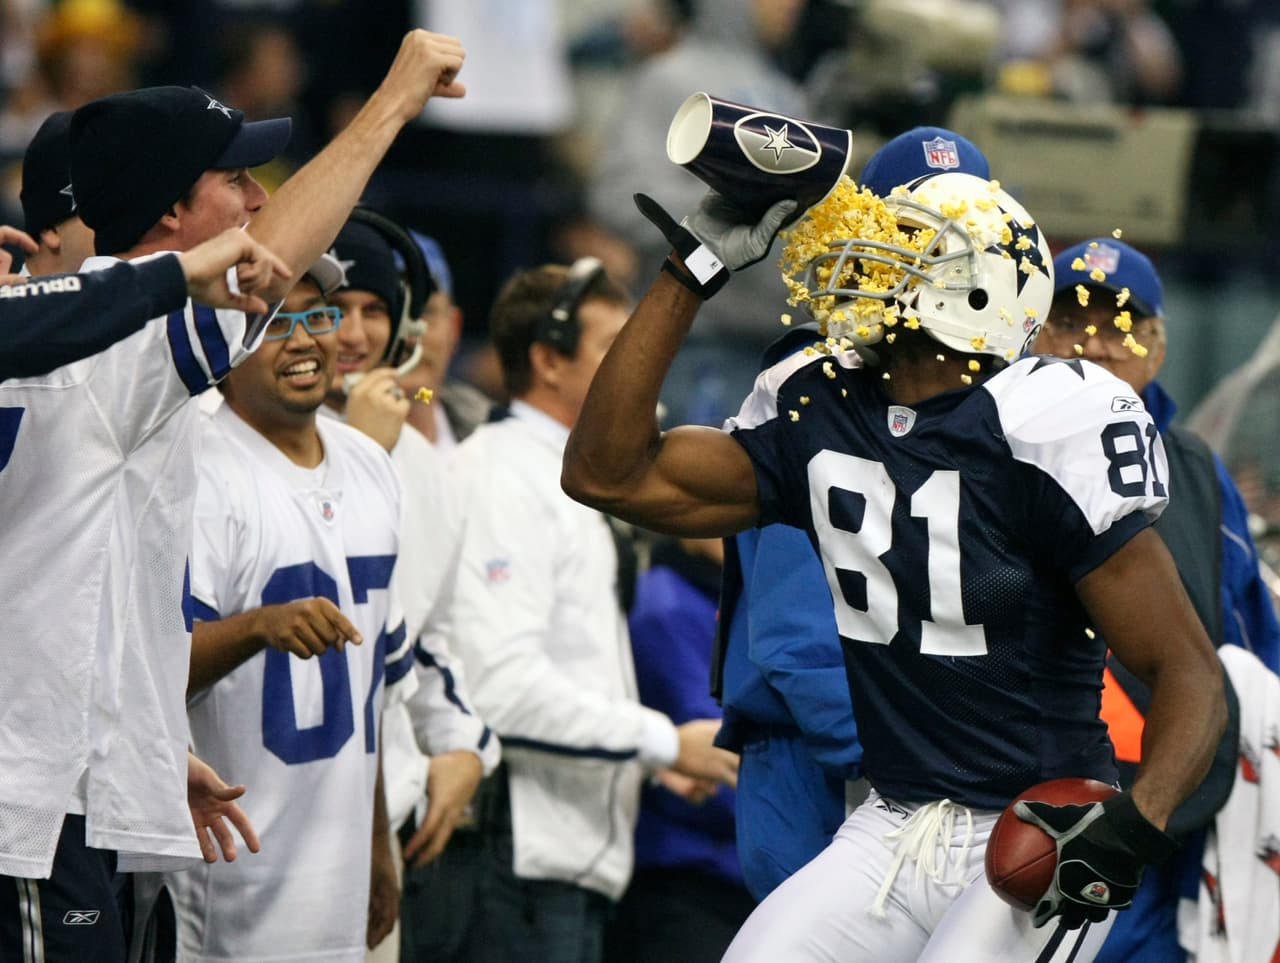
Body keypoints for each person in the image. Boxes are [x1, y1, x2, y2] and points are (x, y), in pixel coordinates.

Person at [560, 170, 1227, 961]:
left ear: (984, 288)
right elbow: (607, 474)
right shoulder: (821, 401)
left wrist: (1136, 823)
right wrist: (690, 268)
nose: (869, 262)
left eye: (908, 248)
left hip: (1033, 824)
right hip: (891, 816)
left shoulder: (1045, 423)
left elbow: (1189, 670)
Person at [0, 31, 466, 963]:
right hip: (33, 800)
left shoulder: (71, 328)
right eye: (236, 179)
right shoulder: (118, 338)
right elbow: (272, 262)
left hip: (66, 778)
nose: (258, 200)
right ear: (173, 212)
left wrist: (142, 735)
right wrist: (396, 97)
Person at [716, 126, 991, 900]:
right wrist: (917, 767)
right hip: (835, 768)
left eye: (961, 229)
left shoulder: (992, 388)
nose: (942, 253)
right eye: (920, 229)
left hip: (942, 772)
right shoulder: (815, 386)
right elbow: (798, 640)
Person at [445, 259, 739, 962]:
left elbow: (567, 666)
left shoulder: (562, 478)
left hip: (565, 863)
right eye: (613, 345)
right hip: (515, 863)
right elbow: (500, 686)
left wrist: (649, 760)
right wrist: (663, 741)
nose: (640, 365)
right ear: (548, 360)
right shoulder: (503, 476)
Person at [1037, 237, 1280, 963]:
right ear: (1035, 335)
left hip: (1179, 812)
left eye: (1120, 327)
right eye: (1070, 323)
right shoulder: (991, 448)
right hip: (1035, 810)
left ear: (1158, 346)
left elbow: (1249, 639)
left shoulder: (1195, 467)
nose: (1095, 345)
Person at [169, 252, 415, 961]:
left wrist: (378, 841)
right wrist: (257, 627)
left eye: (318, 316)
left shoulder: (371, 461)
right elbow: (149, 676)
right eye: (275, 323)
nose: (305, 339)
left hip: (341, 872)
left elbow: (368, 687)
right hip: (232, 879)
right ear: (226, 341)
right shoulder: (196, 464)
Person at [315, 215, 500, 963]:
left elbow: (423, 637)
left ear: (405, 330)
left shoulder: (429, 470)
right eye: (336, 309)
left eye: (374, 310)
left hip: (382, 825)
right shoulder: (233, 434)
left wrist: (464, 744)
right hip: (252, 820)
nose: (354, 333)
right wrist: (364, 451)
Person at [605, 535, 757, 963]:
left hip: (746, 882)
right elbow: (724, 758)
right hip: (687, 884)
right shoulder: (665, 607)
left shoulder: (744, 601)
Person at [397, 232, 492, 449]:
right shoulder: (330, 445)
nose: (410, 337)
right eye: (393, 313)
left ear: (454, 328)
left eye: (425, 312)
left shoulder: (492, 434)